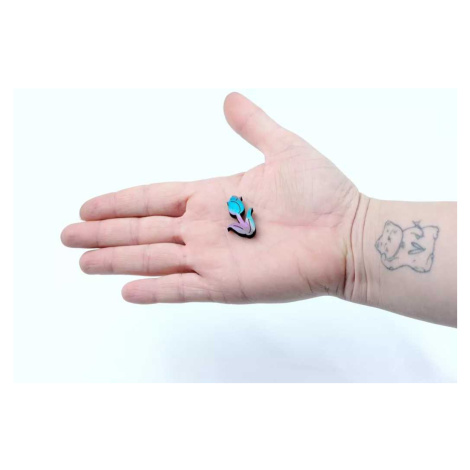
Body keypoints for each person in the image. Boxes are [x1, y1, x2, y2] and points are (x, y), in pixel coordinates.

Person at [61, 93, 457, 328]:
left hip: (246, 223)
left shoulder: (243, 219)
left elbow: (244, 224)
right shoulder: (239, 218)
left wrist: (353, 230)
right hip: (244, 223)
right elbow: (241, 224)